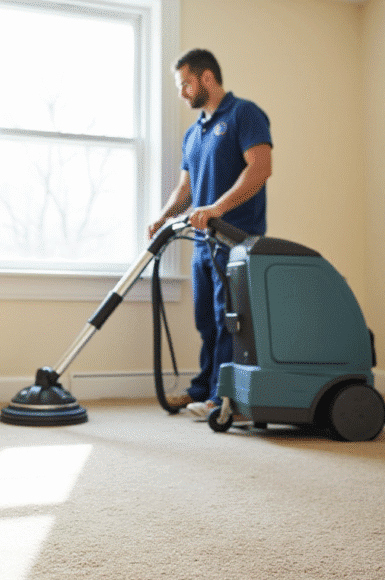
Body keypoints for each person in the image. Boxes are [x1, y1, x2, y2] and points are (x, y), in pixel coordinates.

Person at [148, 49, 273, 418]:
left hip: (235, 238)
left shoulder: (243, 114)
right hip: (202, 242)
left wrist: (217, 208)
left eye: (185, 83)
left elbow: (261, 168)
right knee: (206, 319)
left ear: (206, 78)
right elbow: (185, 189)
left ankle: (223, 398)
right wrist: (164, 216)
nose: (182, 92)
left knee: (227, 320)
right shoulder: (193, 133)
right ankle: (203, 387)